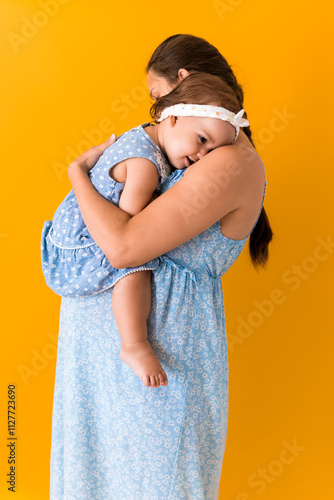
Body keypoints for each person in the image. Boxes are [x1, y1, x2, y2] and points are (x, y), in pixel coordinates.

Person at [49, 34, 273, 500]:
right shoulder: (185, 151)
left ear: (184, 84)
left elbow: (125, 247)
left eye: (158, 96)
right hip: (100, 363)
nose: (154, 111)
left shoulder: (228, 158)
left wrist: (74, 173)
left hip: (156, 364)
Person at [42, 73, 250, 389]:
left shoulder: (145, 139)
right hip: (81, 246)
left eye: (211, 152)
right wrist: (77, 173)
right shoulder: (146, 166)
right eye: (202, 141)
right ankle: (134, 343)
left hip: (70, 236)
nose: (201, 157)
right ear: (174, 116)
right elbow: (126, 233)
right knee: (138, 264)